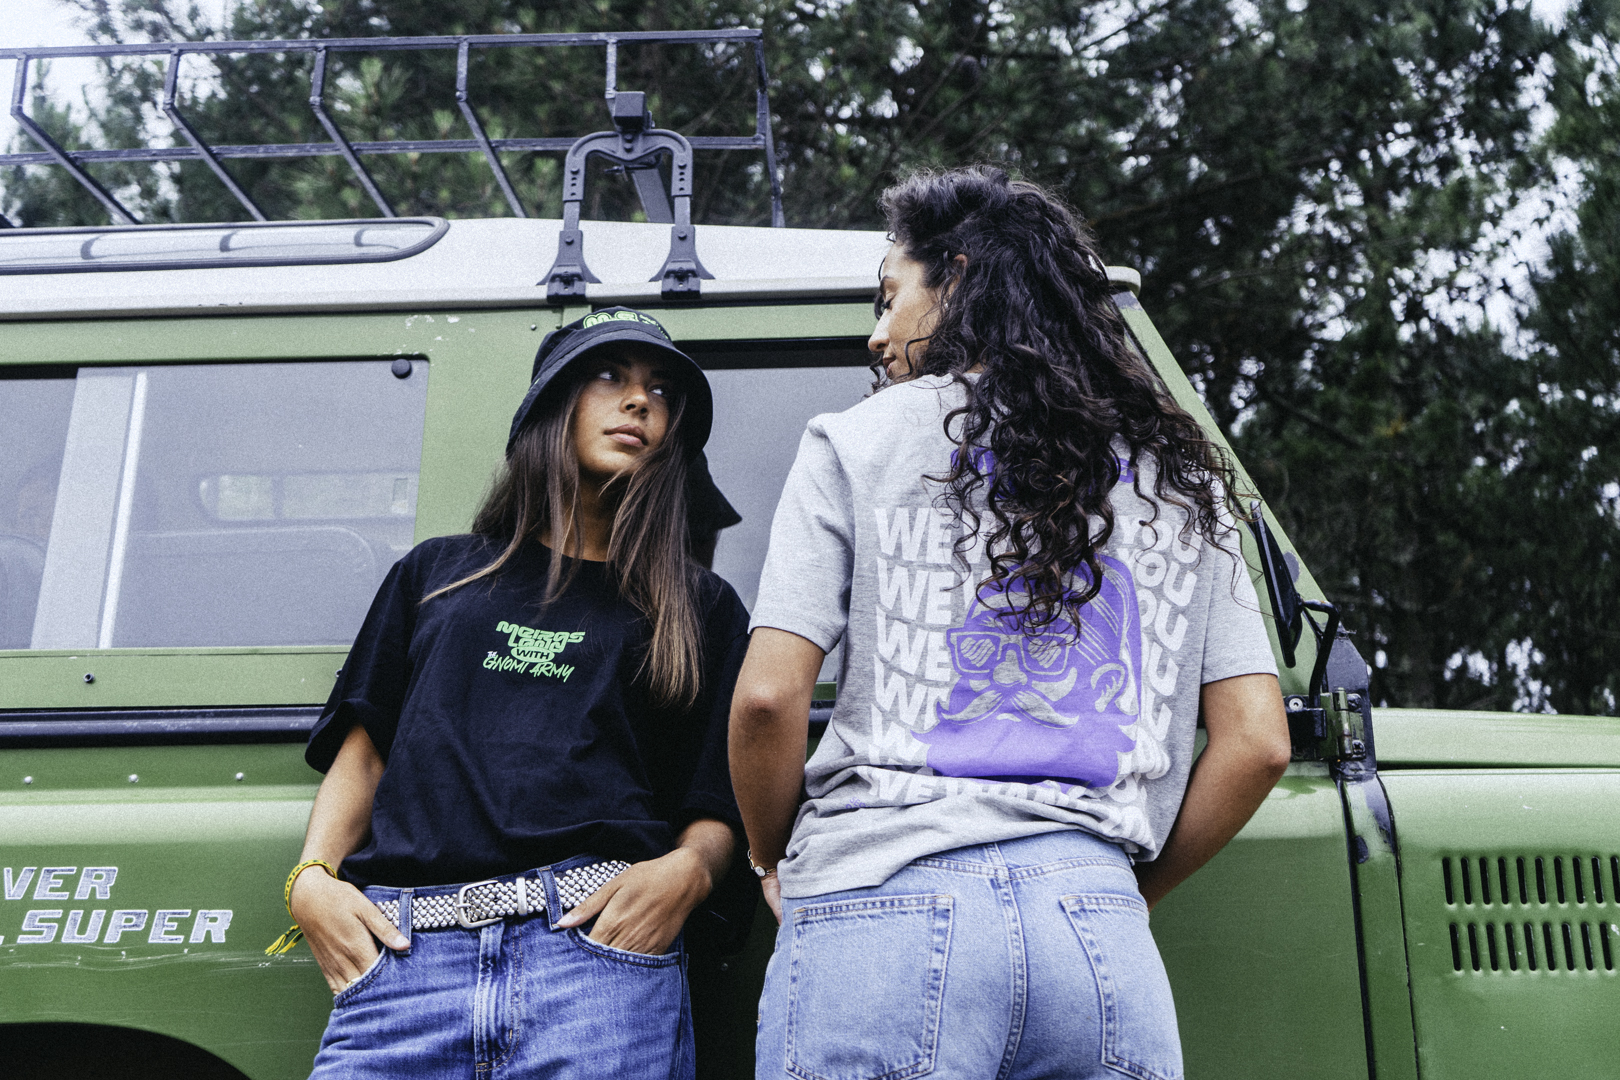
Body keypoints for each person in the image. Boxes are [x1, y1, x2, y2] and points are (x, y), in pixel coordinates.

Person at [730, 168, 1292, 1080]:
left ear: (955, 277)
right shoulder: (1182, 477)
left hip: (880, 899)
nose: (877, 334)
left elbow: (765, 698)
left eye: (889, 297)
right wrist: (1125, 892)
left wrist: (769, 857)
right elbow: (1259, 743)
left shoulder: (854, 439)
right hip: (1097, 926)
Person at [284, 307, 750, 1080]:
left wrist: (693, 870)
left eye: (662, 391)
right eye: (609, 376)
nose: (640, 401)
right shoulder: (436, 573)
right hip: (402, 956)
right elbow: (363, 756)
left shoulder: (699, 606)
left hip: (598, 959)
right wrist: (311, 881)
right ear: (550, 406)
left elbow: (718, 796)